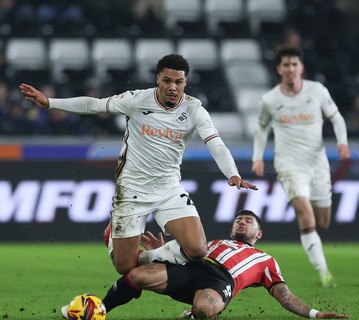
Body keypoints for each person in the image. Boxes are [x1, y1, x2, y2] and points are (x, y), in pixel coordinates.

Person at [19, 54, 257, 275]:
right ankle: (113, 235)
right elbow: (94, 105)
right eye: (167, 80)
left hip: (168, 188)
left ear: (185, 83)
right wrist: (50, 102)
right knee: (124, 267)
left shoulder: (194, 109)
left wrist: (232, 173)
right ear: (158, 79)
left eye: (179, 82)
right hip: (132, 189)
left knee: (197, 250)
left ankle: (152, 255)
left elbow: (215, 144)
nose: (173, 87)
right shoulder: (136, 100)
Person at [62, 210, 348, 320]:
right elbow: (183, 253)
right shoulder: (210, 243)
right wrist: (158, 251)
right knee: (136, 275)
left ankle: (193, 313)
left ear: (258, 234)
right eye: (239, 219)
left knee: (203, 310)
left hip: (219, 281)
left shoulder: (266, 261)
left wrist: (314, 313)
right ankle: (98, 310)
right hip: (193, 267)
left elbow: (284, 296)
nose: (242, 221)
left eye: (249, 221)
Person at [251, 46, 350, 288]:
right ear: (279, 69)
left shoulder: (317, 91)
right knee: (305, 216)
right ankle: (324, 271)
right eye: (286, 65)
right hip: (289, 164)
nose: (291, 69)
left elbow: (336, 117)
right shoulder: (271, 99)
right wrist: (257, 157)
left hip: (317, 164)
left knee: (322, 222)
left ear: (301, 67)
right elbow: (262, 128)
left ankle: (317, 250)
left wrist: (342, 143)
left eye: (295, 64)